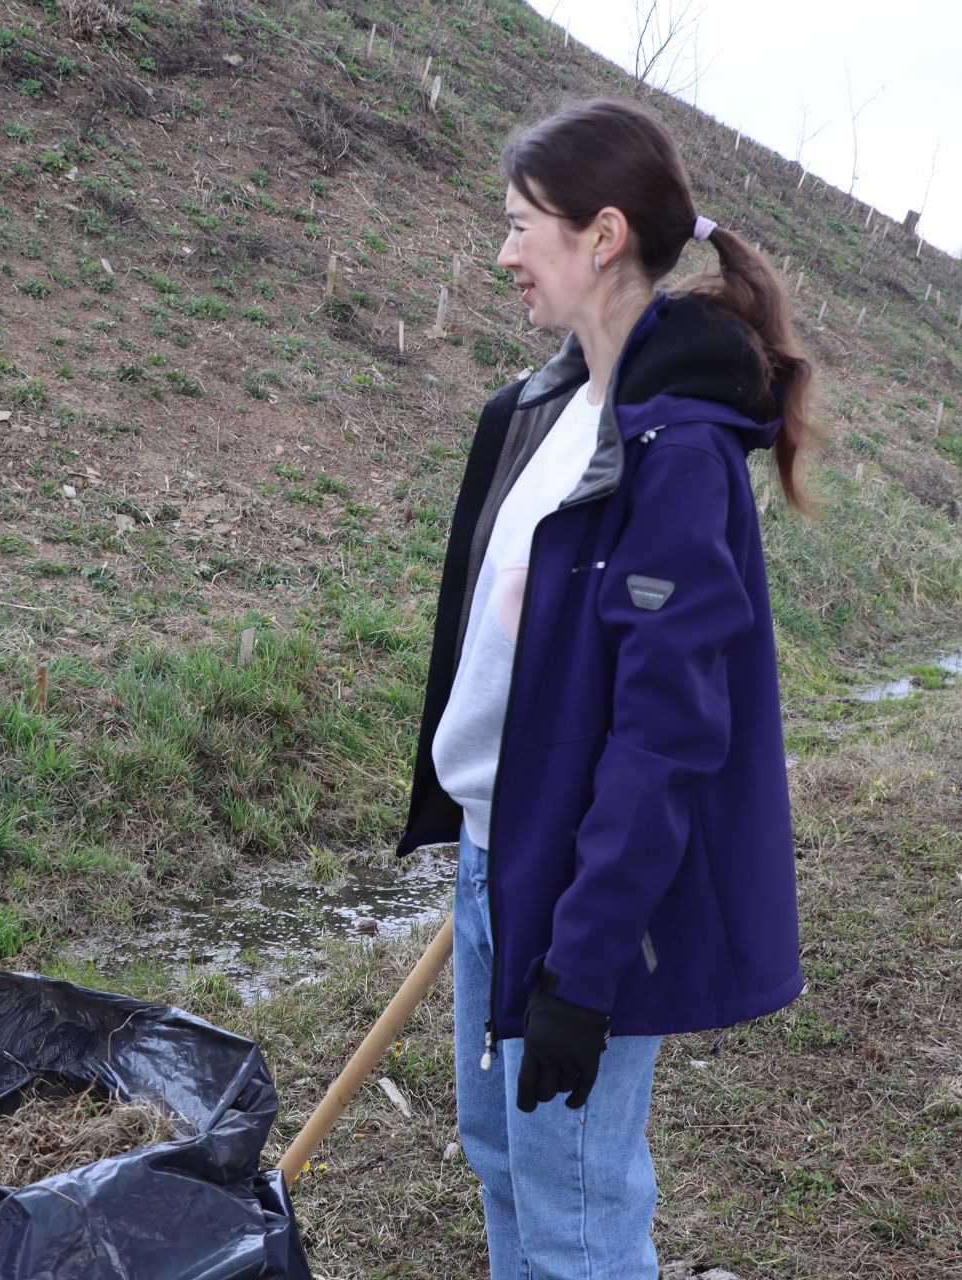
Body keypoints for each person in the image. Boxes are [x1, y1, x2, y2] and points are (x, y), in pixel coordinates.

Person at [395, 98, 818, 1278]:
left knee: (577, 1207)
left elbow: (664, 736)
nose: (503, 251)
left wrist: (583, 965)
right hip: (499, 855)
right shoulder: (549, 413)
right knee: (506, 1163)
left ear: (603, 235)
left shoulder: (673, 455)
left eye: (523, 222)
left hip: (585, 891)